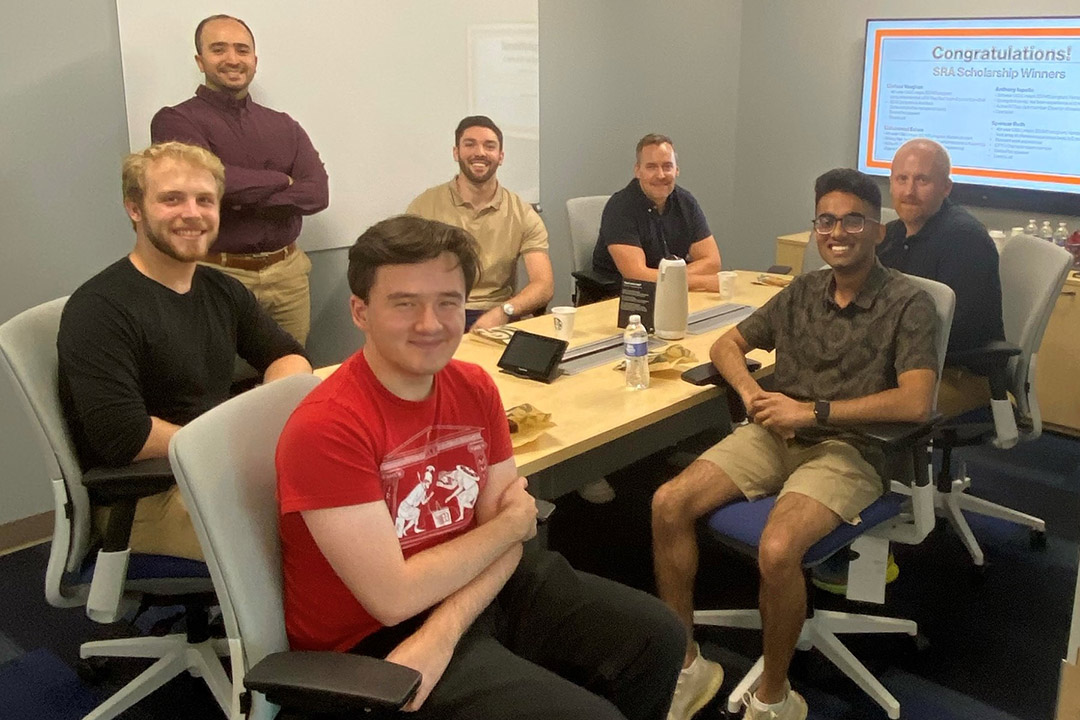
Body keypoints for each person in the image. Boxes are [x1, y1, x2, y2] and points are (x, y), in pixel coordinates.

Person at [276, 215, 683, 719]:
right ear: (360, 311)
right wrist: (511, 524)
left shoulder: (474, 386)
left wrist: (444, 632)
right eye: (405, 304)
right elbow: (394, 597)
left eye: (448, 302)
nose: (431, 323)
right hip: (374, 642)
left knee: (658, 636)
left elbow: (510, 539)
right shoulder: (328, 427)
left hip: (469, 590)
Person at [651, 169, 939, 720]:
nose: (838, 232)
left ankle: (775, 698)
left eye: (853, 220)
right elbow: (725, 344)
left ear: (878, 231)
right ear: (814, 230)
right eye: (826, 221)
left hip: (851, 448)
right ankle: (689, 667)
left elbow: (916, 402)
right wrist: (753, 392)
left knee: (779, 548)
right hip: (776, 433)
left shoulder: (908, 303)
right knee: (668, 504)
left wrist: (814, 412)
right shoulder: (802, 291)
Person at [58, 142, 311, 561]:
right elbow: (125, 437)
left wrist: (265, 415)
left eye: (205, 200)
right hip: (146, 496)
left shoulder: (221, 289)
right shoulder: (100, 308)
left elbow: (288, 356)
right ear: (135, 209)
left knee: (345, 494)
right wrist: (232, 442)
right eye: (171, 199)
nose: (192, 213)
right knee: (312, 534)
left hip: (211, 468)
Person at [151, 14, 329, 346]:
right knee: (216, 384)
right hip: (218, 274)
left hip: (287, 274)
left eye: (242, 50)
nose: (233, 59)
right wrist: (282, 180)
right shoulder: (175, 121)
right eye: (219, 49)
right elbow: (204, 185)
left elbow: (317, 194)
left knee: (289, 376)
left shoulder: (284, 125)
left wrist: (233, 195)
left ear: (255, 61)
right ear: (200, 61)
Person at [879, 138, 1004, 416]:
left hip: (958, 374)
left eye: (922, 180)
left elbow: (960, 332)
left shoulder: (965, 240)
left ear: (946, 188)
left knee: (857, 400)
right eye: (902, 179)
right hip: (905, 366)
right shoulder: (893, 235)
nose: (909, 191)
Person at [407, 116, 553, 329]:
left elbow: (544, 284)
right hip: (438, 312)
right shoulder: (424, 207)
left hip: (495, 314)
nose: (480, 152)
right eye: (470, 144)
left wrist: (504, 311)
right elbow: (403, 273)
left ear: (500, 156)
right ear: (456, 152)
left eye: (489, 146)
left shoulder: (522, 213)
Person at [592, 134, 722, 291]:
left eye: (667, 166)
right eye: (651, 167)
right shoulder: (619, 208)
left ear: (677, 170)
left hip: (674, 295)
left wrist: (675, 279)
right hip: (624, 299)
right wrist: (703, 282)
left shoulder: (686, 202)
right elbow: (637, 275)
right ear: (638, 170)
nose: (660, 175)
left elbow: (712, 261)